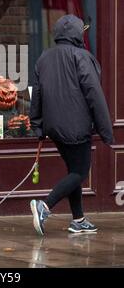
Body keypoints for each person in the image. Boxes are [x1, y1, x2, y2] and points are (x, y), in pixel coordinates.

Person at [29, 14, 113, 235]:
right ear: (77, 34)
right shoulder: (82, 57)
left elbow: (36, 95)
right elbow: (94, 94)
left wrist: (37, 127)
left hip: (54, 128)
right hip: (76, 127)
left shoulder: (44, 58)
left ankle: (78, 219)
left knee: (73, 170)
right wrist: (106, 131)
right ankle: (44, 205)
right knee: (80, 172)